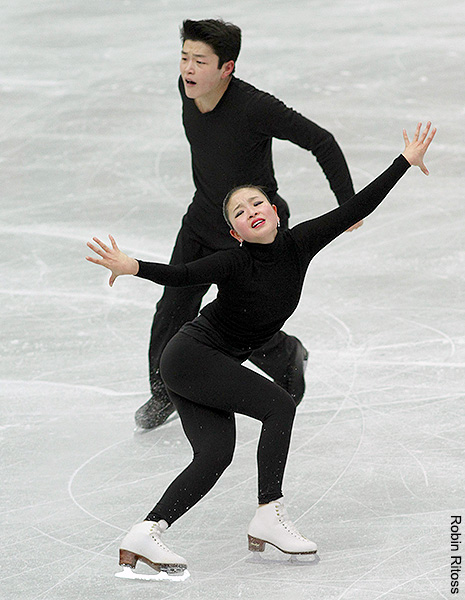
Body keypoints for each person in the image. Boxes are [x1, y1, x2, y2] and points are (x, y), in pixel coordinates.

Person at [86, 122, 436, 579]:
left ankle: (146, 531)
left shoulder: (301, 243)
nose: (249, 210)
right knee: (279, 404)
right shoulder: (233, 260)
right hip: (191, 356)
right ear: (233, 231)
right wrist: (134, 267)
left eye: (256, 202)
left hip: (199, 364)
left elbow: (356, 206)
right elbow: (184, 275)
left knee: (214, 455)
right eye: (237, 211)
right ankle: (269, 514)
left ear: (273, 210)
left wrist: (403, 163)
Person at [137, 18, 362, 430]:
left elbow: (322, 141)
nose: (188, 69)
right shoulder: (189, 89)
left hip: (254, 230)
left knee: (243, 321)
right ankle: (162, 392)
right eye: (184, 57)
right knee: (173, 305)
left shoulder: (255, 107)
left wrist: (348, 204)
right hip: (204, 218)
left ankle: (288, 354)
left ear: (227, 68)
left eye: (199, 61)